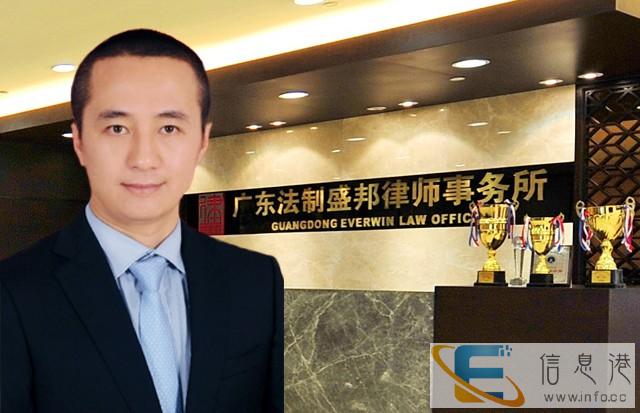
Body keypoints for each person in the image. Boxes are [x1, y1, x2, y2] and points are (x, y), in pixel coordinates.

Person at [0, 29, 284, 413]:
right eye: (117, 128)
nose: (143, 158)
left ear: (202, 141)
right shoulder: (14, 292)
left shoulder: (256, 280)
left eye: (169, 128)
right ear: (80, 141)